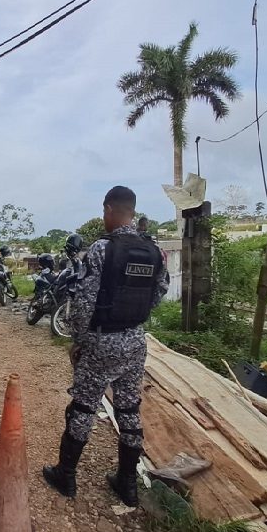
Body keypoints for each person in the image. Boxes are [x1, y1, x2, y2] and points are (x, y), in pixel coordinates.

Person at [42, 186, 169, 506]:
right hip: (135, 341)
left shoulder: (102, 249)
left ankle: (66, 475)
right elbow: (158, 294)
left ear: (111, 209)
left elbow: (83, 303)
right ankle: (127, 484)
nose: (103, 217)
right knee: (128, 409)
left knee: (84, 406)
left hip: (102, 340)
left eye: (104, 211)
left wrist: (80, 342)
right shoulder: (154, 252)